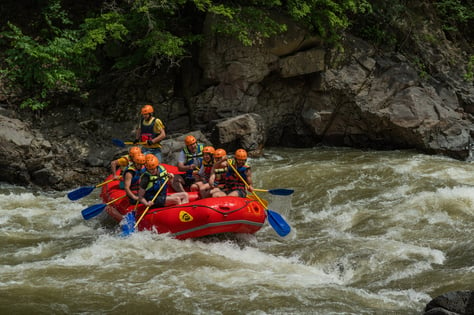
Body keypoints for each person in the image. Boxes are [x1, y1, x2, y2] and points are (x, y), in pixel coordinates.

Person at [106, 152, 145, 222]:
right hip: (134, 194)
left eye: (142, 164)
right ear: (135, 163)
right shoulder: (129, 173)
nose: (140, 166)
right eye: (139, 164)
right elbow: (126, 188)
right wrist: (134, 197)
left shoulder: (143, 168)